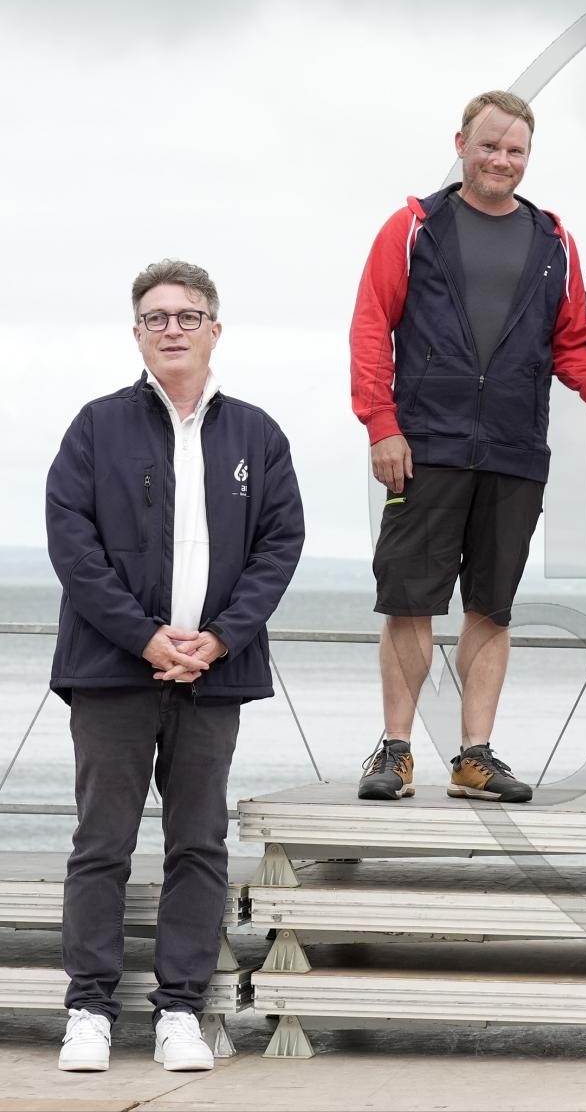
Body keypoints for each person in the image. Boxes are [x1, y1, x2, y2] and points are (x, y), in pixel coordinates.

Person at [48, 262, 304, 1072]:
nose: (172, 329)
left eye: (188, 316)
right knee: (102, 843)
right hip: (112, 672)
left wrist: (220, 638)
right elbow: (73, 545)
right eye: (156, 317)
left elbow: (279, 545)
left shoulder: (257, 435)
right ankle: (88, 1011)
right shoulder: (96, 427)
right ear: (137, 334)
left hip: (211, 676)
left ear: (214, 330)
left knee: (198, 844)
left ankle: (181, 1014)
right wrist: (144, 637)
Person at [350, 90, 586, 803]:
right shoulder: (413, 228)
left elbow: (571, 344)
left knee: (492, 608)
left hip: (514, 449)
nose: (502, 160)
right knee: (410, 601)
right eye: (489, 146)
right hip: (424, 446)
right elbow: (372, 326)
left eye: (515, 150)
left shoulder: (554, 240)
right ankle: (395, 751)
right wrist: (381, 425)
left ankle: (474, 757)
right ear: (461, 144)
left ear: (529, 156)